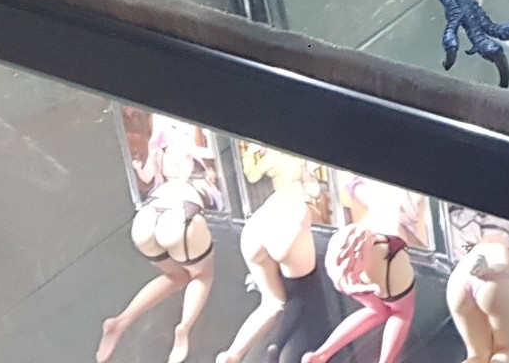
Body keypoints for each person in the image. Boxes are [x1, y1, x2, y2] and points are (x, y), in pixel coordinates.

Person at [98, 115, 219, 363]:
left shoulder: (158, 124)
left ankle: (120, 321)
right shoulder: (197, 127)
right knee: (202, 276)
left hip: (148, 215)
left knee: (177, 276)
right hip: (183, 211)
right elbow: (209, 172)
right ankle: (184, 328)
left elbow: (147, 177)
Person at [216, 148, 336, 363]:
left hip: (258, 226)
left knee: (273, 302)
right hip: (292, 221)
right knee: (303, 296)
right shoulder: (305, 159)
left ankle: (233, 354)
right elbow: (315, 191)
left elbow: (252, 175)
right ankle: (277, 345)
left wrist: (250, 155)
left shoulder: (272, 155)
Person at [303, 224, 416, 363]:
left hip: (346, 263)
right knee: (402, 313)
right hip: (387, 255)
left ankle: (320, 355)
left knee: (378, 311)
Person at [444, 225, 509, 363]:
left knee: (476, 355)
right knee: (504, 351)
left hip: (460, 276)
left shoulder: (472, 223)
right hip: (499, 273)